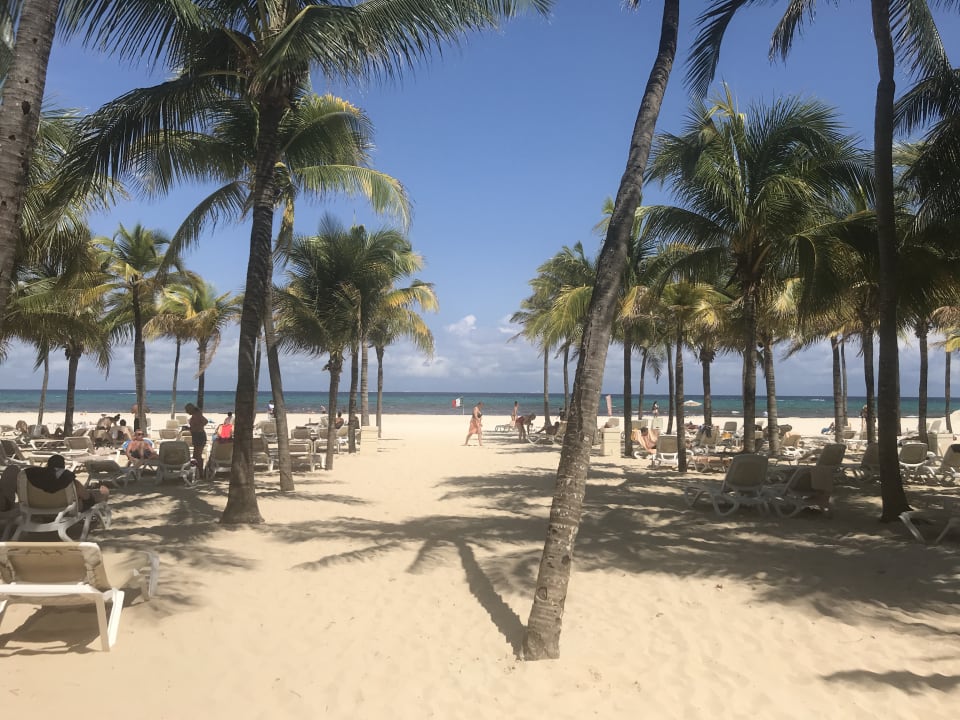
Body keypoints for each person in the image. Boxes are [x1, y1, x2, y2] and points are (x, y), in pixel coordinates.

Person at [25, 454, 108, 510]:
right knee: (100, 494)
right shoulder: (67, 478)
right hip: (66, 509)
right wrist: (92, 498)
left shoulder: (32, 477)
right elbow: (86, 497)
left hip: (37, 508)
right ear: (63, 465)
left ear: (48, 465)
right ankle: (104, 496)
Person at [186, 403, 208, 476]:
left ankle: (200, 473)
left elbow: (205, 421)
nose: (186, 412)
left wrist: (197, 428)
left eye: (187, 410)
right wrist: (192, 428)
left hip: (199, 436)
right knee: (196, 455)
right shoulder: (195, 415)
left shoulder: (197, 414)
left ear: (191, 409)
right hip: (196, 436)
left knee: (198, 455)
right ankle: (197, 472)